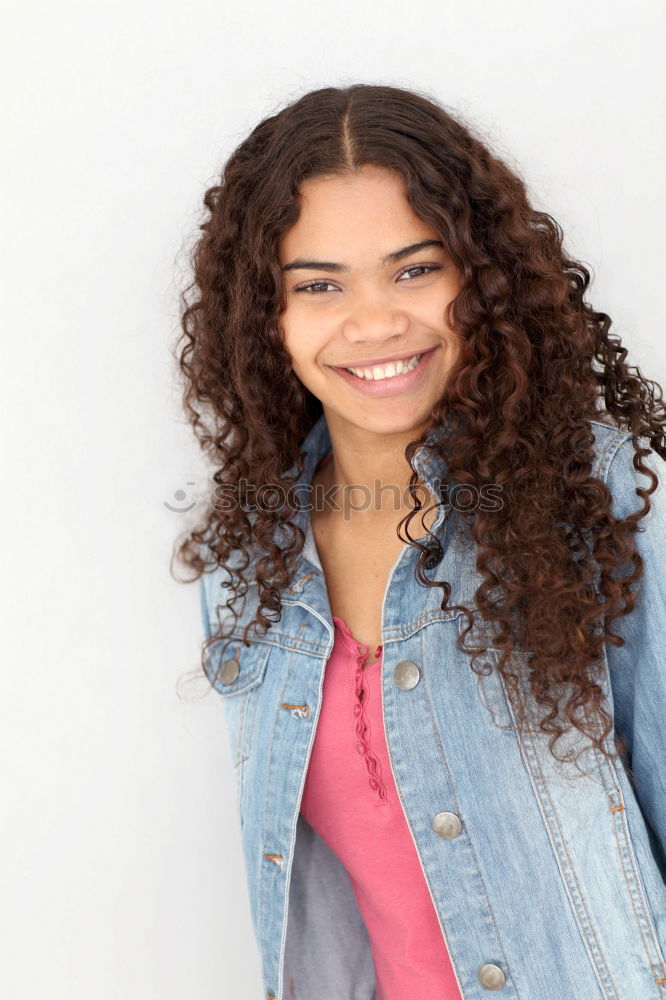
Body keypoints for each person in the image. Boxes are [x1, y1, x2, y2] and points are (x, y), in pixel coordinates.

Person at [174, 83, 666, 1000]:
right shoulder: (254, 564)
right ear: (264, 316)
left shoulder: (606, 503)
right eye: (319, 284)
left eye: (415, 270)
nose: (375, 323)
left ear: (482, 278)